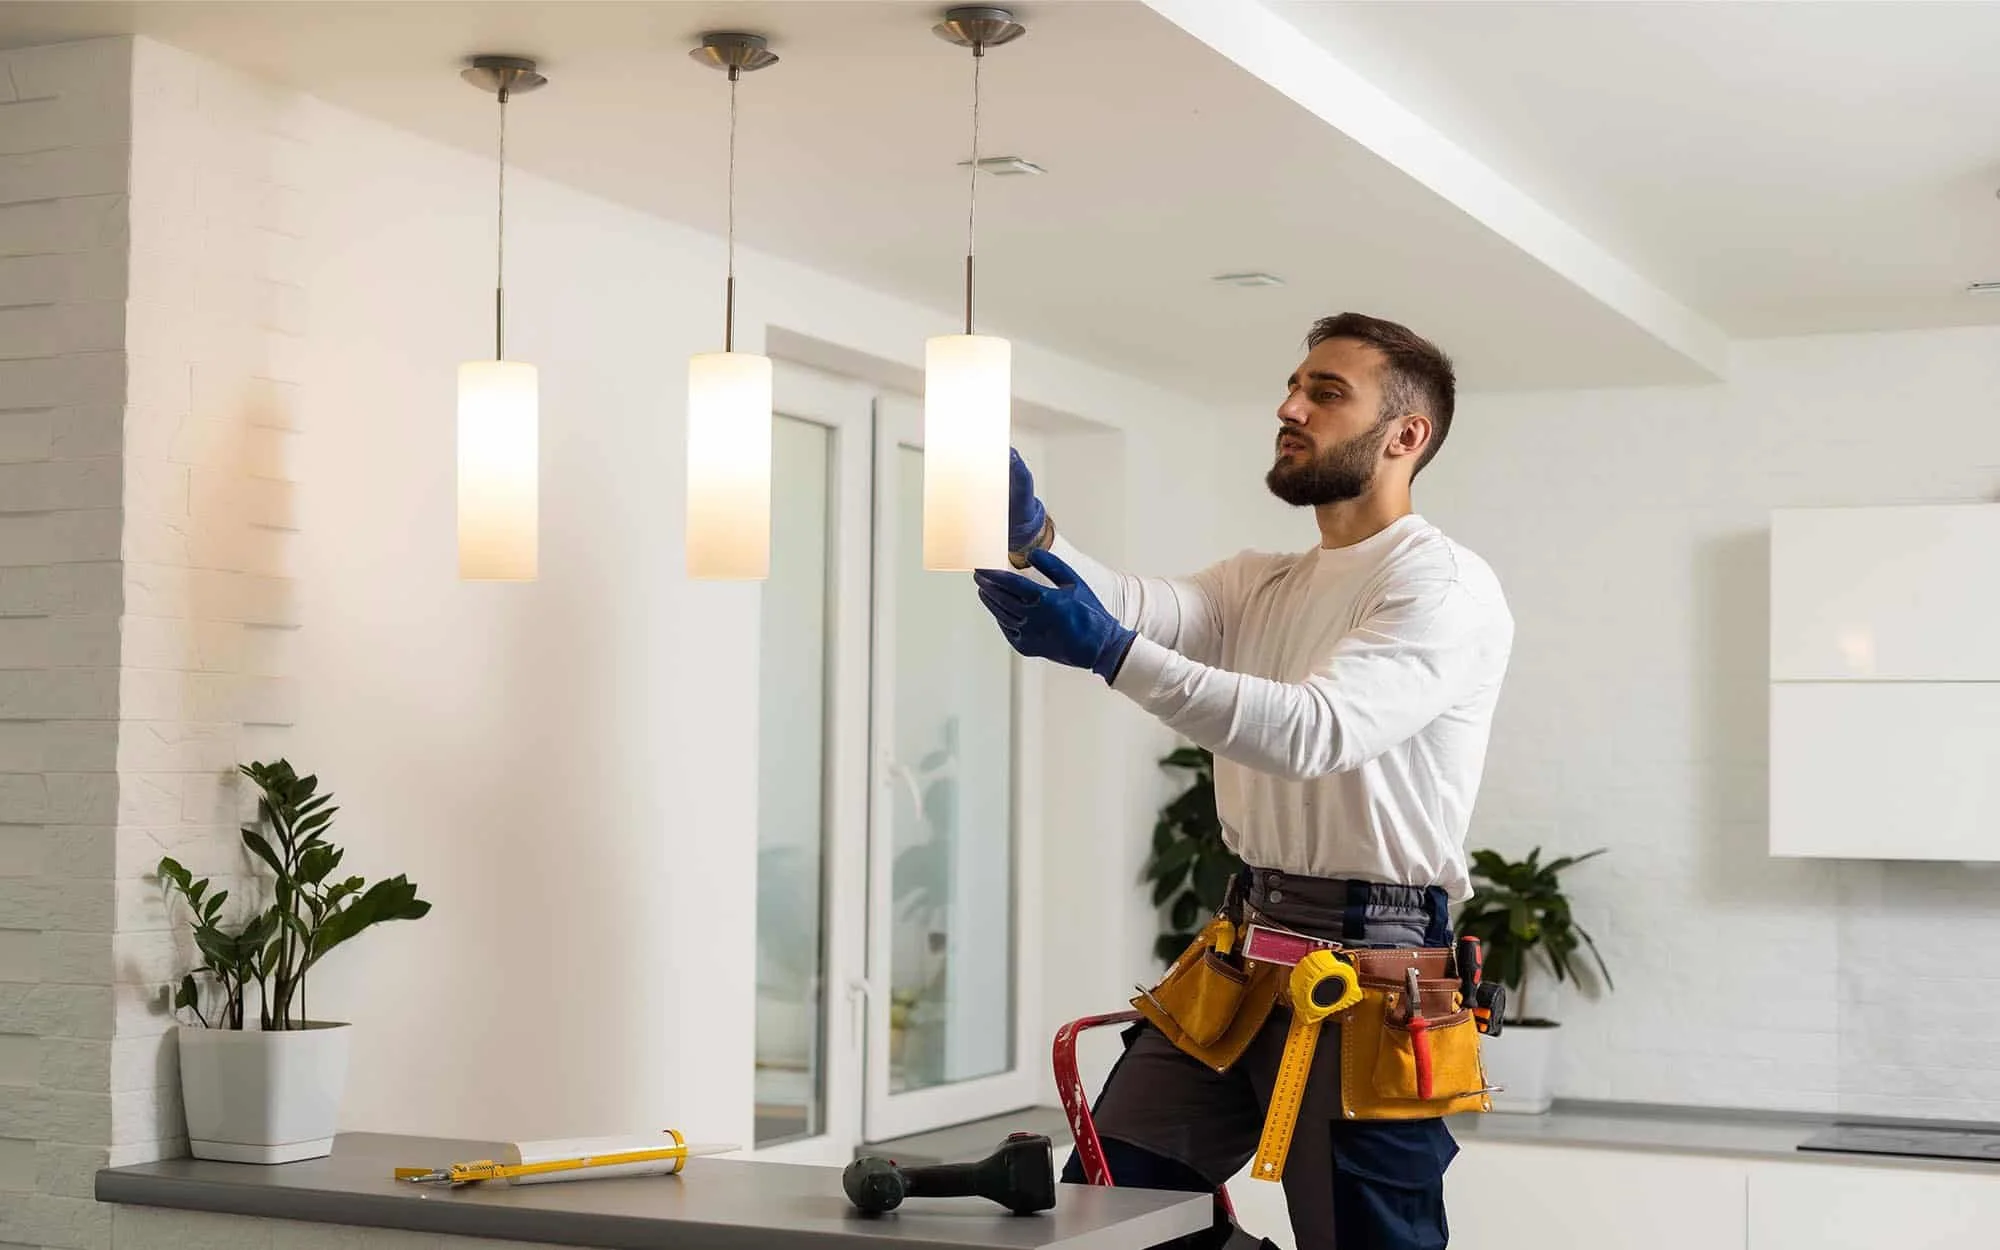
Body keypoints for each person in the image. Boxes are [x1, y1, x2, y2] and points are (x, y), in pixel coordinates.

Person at [972, 313, 1513, 1250]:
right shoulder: (1259, 582)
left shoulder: (1442, 587)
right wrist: (1031, 540)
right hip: (1243, 951)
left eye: (1325, 393)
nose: (1289, 405)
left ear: (1405, 435)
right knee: (1105, 1212)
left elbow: (1317, 731)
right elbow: (1132, 606)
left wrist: (1109, 656)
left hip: (1371, 968)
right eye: (1294, 386)